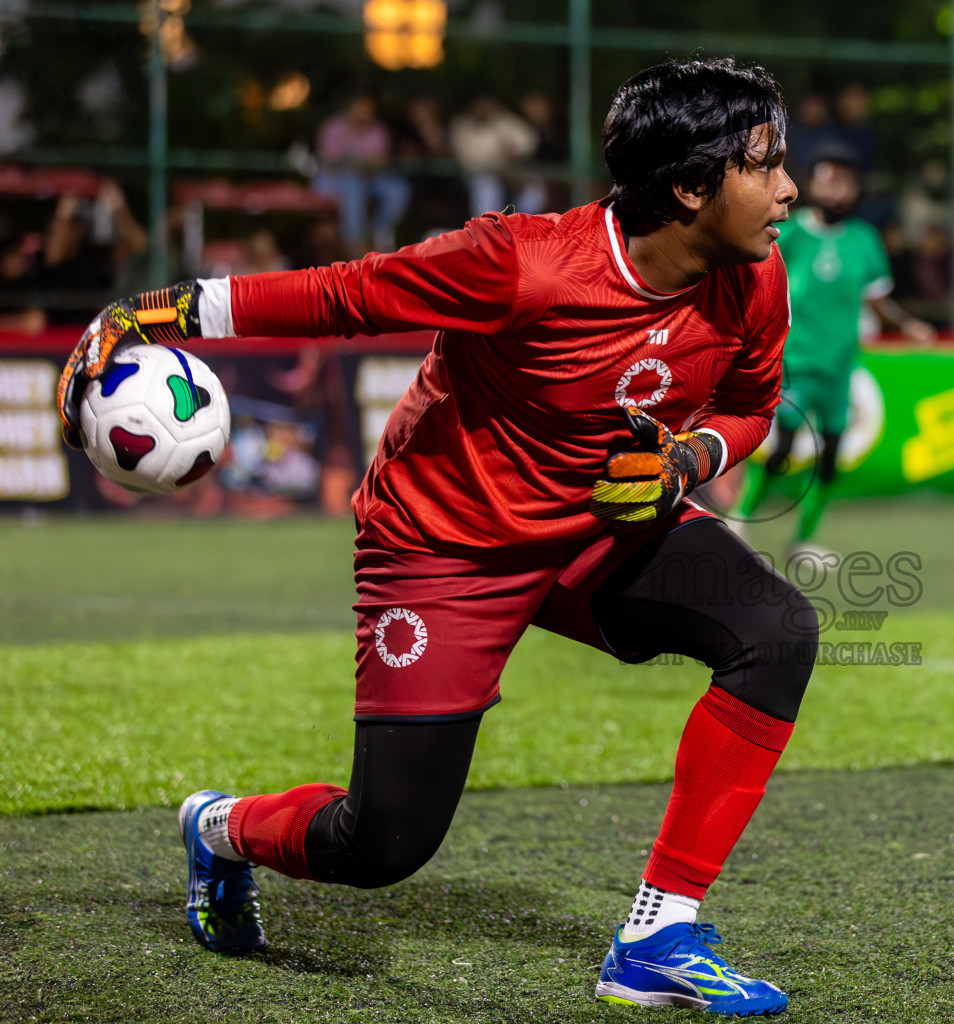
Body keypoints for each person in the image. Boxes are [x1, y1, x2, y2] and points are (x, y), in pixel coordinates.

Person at [55, 57, 815, 1016]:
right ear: (691, 187)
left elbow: (750, 406)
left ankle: (659, 935)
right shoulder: (524, 262)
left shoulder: (756, 273)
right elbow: (347, 295)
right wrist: (165, 307)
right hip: (442, 549)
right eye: (767, 163)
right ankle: (219, 829)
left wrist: (683, 465)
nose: (789, 185)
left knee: (776, 632)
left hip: (591, 527)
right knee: (382, 845)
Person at [734, 144, 933, 555]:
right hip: (793, 363)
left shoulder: (864, 241)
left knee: (830, 458)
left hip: (841, 368)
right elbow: (751, 288)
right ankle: (740, 518)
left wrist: (908, 324)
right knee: (784, 450)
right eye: (827, 178)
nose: (835, 187)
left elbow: (875, 299)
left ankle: (804, 539)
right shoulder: (785, 234)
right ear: (813, 183)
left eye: (843, 180)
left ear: (855, 188)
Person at [312, 93, 411, 256]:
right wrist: (355, 161)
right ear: (350, 107)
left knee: (397, 189)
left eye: (368, 109)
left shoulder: (378, 129)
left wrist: (367, 164)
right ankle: (355, 240)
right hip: (335, 180)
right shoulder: (333, 127)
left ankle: (380, 231)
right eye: (360, 107)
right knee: (353, 184)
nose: (364, 112)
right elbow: (329, 160)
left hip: (369, 178)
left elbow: (381, 161)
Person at [449, 94, 539, 218]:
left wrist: (514, 158)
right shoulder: (462, 126)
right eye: (480, 104)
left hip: (510, 172)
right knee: (487, 187)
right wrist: (499, 167)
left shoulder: (505, 121)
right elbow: (468, 160)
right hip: (476, 175)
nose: (484, 108)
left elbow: (528, 143)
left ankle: (524, 228)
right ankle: (485, 229)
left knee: (533, 188)